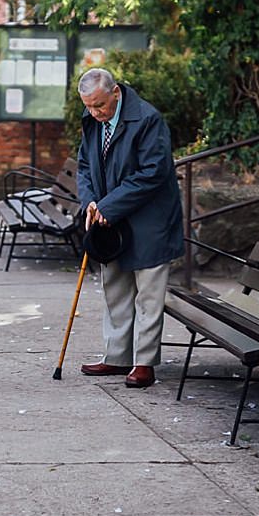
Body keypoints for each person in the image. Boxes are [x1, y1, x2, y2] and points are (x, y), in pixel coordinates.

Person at [74, 67, 185, 388]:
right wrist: (92, 202)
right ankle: (117, 357)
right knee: (116, 289)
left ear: (116, 92)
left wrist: (109, 205)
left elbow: (153, 172)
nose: (94, 113)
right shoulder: (93, 119)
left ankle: (144, 362)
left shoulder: (148, 120)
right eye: (89, 106)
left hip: (150, 221)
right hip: (111, 221)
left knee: (148, 296)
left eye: (100, 106)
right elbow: (85, 165)